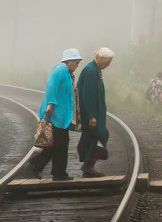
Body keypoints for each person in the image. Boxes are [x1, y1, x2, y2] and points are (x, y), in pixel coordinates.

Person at [27, 49, 82, 181]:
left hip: (61, 115)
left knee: (55, 144)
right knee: (61, 144)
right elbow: (51, 86)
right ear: (68, 61)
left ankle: (36, 166)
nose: (77, 65)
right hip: (56, 115)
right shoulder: (60, 70)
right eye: (76, 62)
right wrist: (51, 103)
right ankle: (58, 173)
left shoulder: (67, 73)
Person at [77, 48, 114, 178]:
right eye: (108, 61)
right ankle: (88, 164)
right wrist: (91, 115)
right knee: (100, 135)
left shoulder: (95, 70)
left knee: (95, 137)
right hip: (91, 114)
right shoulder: (91, 71)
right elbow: (88, 95)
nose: (108, 64)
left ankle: (89, 166)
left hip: (95, 113)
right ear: (100, 58)